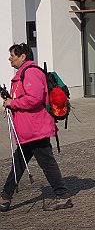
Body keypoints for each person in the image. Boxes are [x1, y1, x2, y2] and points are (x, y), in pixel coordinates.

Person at [1, 43, 72, 212]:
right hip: (29, 128)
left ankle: (62, 196)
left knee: (46, 162)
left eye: (12, 55)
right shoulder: (23, 74)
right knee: (19, 162)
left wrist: (13, 103)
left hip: (35, 128)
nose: (9, 58)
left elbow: (33, 99)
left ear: (23, 56)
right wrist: (11, 100)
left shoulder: (31, 72)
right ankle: (5, 196)